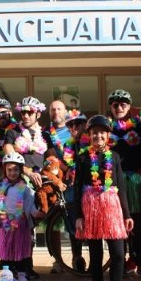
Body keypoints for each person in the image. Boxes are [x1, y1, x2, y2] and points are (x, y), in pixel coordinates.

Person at [75, 115, 138, 281]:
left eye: (102, 133)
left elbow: (121, 187)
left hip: (112, 208)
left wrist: (127, 214)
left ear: (108, 135)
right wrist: (78, 215)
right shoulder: (83, 158)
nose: (98, 136)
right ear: (89, 135)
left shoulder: (115, 157)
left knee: (118, 254)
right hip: (91, 208)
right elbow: (77, 188)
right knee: (96, 255)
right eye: (94, 133)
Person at [3, 96, 52, 280]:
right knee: (20, 226)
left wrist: (61, 170)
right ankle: (15, 266)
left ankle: (26, 266)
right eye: (23, 112)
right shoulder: (12, 133)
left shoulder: (45, 134)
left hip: (40, 182)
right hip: (20, 182)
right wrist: (28, 172)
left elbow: (52, 157)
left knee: (31, 227)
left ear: (38, 114)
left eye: (30, 112)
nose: (25, 115)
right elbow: (10, 158)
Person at [107, 89, 141, 277]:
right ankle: (120, 262)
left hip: (134, 181)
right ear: (111, 107)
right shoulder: (107, 128)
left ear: (129, 106)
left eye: (123, 104)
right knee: (117, 224)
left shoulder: (139, 127)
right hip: (113, 182)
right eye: (115, 105)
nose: (119, 108)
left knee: (138, 224)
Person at [0, 152, 45, 281]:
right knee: (6, 250)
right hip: (5, 224)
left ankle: (22, 272)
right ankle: (8, 273)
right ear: (4, 170)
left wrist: (35, 213)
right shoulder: (0, 187)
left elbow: (29, 205)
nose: (12, 173)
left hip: (20, 223)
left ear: (21, 170)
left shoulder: (25, 188)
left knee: (20, 250)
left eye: (16, 170)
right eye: (9, 170)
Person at [61, 109, 90, 272]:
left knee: (92, 223)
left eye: (78, 124)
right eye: (70, 125)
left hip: (89, 186)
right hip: (74, 187)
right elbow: (68, 164)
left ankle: (95, 260)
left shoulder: (91, 141)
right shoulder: (68, 145)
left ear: (85, 125)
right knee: (73, 221)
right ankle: (76, 257)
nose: (74, 127)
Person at [45, 100, 72, 274]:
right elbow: (48, 156)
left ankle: (77, 257)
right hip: (54, 181)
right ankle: (58, 260)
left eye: (59, 109)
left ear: (65, 111)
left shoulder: (73, 130)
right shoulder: (45, 133)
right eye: (53, 109)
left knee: (73, 217)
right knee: (54, 222)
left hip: (73, 180)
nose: (56, 112)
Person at [0, 98, 17, 178]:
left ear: (10, 113)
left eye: (4, 113)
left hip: (15, 177)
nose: (1, 116)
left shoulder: (19, 131)